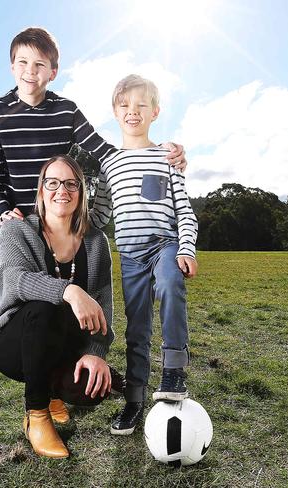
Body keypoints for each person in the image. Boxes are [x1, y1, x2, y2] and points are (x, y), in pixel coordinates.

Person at [0, 27, 187, 429]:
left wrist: (160, 153)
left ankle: (56, 385)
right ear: (11, 66)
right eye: (22, 62)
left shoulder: (66, 111)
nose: (30, 71)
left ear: (52, 71)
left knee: (56, 311)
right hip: (15, 229)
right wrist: (5, 211)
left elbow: (108, 153)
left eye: (39, 65)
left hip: (62, 227)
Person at [0, 155, 113, 458]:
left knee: (93, 388)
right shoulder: (15, 230)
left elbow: (103, 303)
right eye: (52, 183)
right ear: (41, 190)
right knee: (42, 307)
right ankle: (37, 415)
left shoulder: (95, 242)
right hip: (14, 342)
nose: (61, 191)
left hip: (63, 344)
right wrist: (71, 291)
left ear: (82, 192)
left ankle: (55, 393)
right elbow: (15, 280)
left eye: (71, 184)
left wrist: (96, 353)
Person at [90, 74, 199, 435]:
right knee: (136, 329)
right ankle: (134, 400)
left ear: (155, 111)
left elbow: (184, 209)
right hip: (131, 257)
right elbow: (98, 216)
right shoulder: (109, 164)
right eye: (124, 105)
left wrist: (186, 248)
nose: (132, 112)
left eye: (141, 105)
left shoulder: (167, 156)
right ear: (114, 111)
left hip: (165, 246)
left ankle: (174, 372)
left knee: (169, 284)